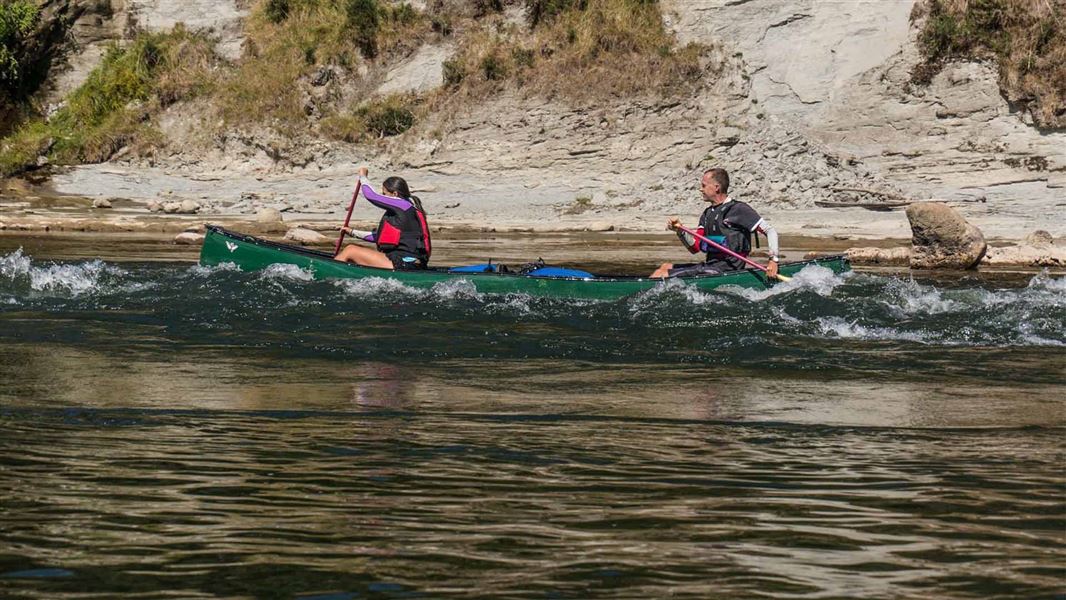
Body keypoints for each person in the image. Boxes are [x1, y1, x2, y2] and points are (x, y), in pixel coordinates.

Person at [650, 168, 779, 279]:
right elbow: (695, 248)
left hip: (726, 270)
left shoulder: (738, 209)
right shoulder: (707, 214)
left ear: (716, 187)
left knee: (660, 274)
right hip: (710, 266)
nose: (701, 189)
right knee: (665, 266)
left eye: (704, 185)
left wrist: (773, 261)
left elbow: (770, 231)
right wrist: (680, 231)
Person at [335, 167, 431, 270]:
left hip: (403, 262)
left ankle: (331, 273)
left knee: (350, 250)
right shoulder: (407, 209)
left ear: (395, 194)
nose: (383, 197)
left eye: (384, 194)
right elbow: (380, 237)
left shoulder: (402, 204)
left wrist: (363, 176)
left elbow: (371, 195)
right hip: (409, 262)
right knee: (352, 248)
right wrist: (352, 232)